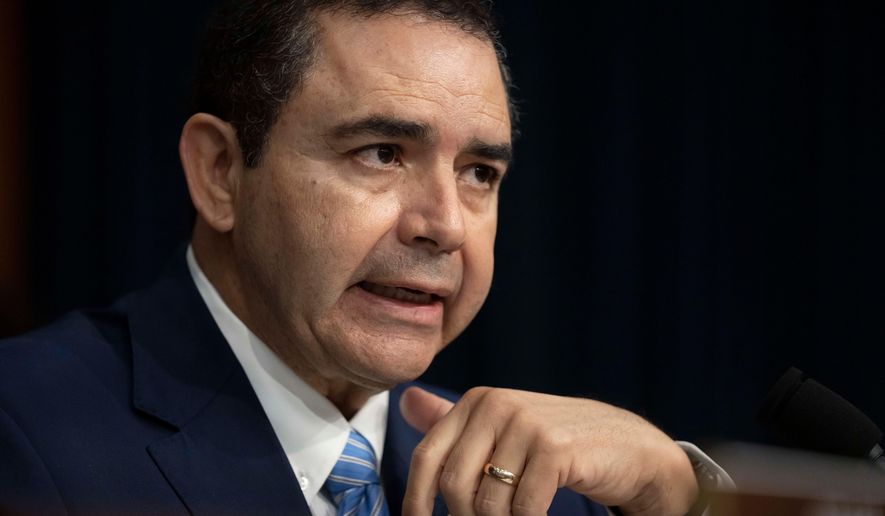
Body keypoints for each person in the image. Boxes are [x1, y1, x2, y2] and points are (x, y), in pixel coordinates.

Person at [0, 1, 728, 515]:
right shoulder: (27, 433)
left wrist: (672, 500)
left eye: (479, 173)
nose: (444, 225)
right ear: (220, 172)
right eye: (380, 154)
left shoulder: (550, 489)